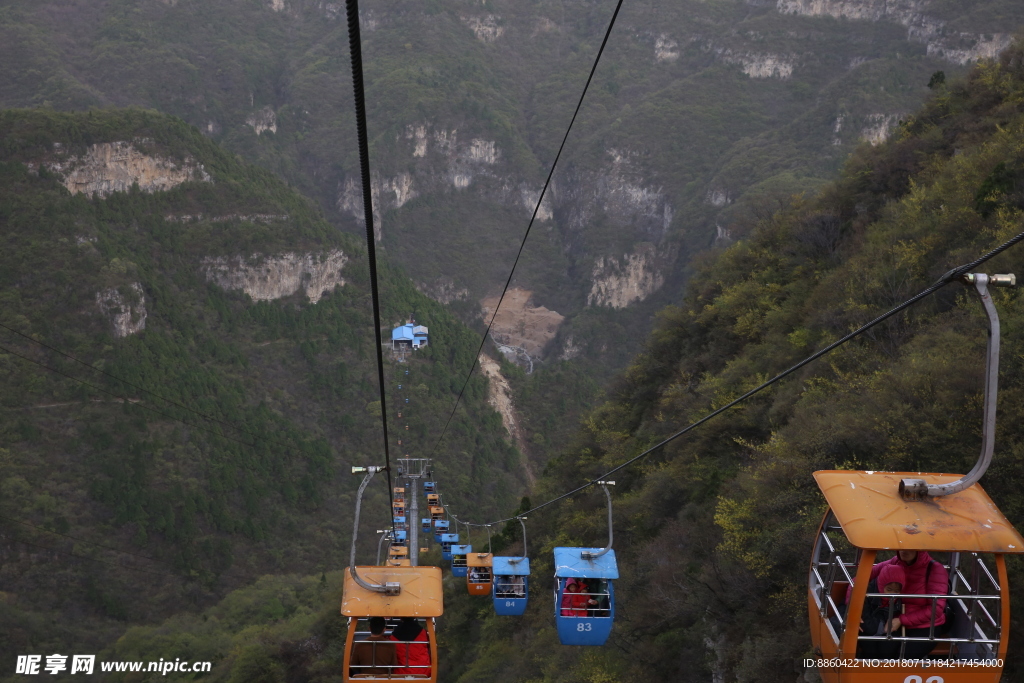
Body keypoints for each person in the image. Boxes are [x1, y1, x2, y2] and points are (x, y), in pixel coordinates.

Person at [854, 550, 949, 658]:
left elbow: (936, 609)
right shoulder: (895, 562)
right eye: (901, 546)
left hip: (925, 626)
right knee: (877, 649)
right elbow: (859, 579)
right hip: (892, 619)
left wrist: (901, 620)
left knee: (903, 656)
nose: (904, 550)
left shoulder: (935, 569)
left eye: (910, 547)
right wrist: (853, 609)